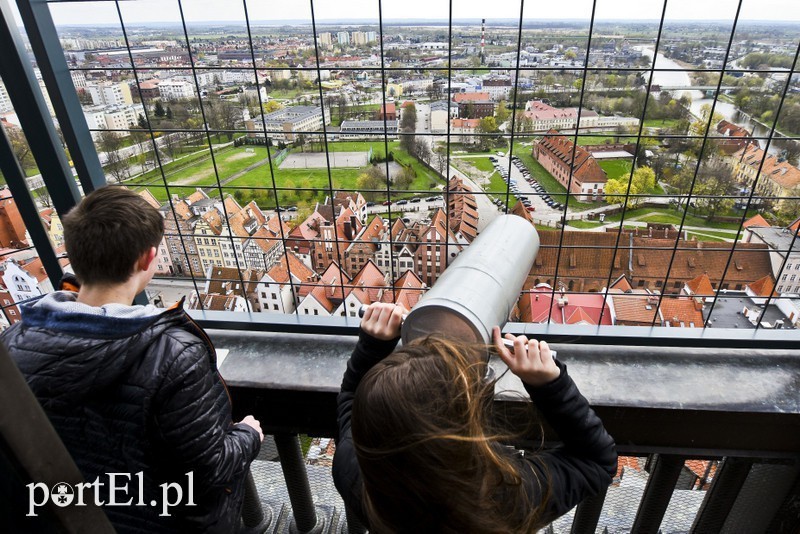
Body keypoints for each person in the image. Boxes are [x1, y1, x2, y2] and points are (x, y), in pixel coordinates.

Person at [2, 187, 263, 532]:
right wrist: (249, 434)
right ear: (147, 259)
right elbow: (210, 470)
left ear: (74, 256)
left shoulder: (12, 344)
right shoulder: (173, 355)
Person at [332, 303, 617, 533]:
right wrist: (550, 385)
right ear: (466, 428)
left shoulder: (356, 476)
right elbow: (598, 462)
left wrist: (371, 347)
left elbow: (350, 400)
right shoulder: (508, 495)